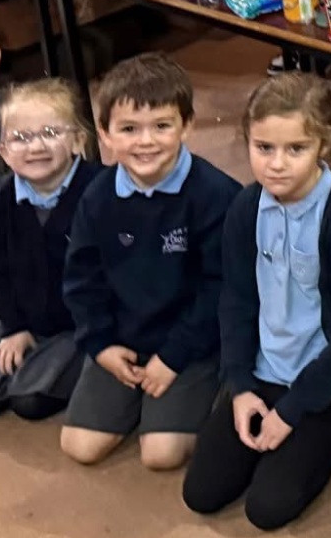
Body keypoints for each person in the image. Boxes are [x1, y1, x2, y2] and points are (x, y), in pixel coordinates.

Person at [182, 76, 331, 530]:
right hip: (264, 370)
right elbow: (235, 301)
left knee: (267, 508)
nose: (276, 164)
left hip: (327, 377)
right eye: (263, 148)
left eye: (295, 149)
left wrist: (294, 410)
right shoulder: (243, 209)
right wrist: (239, 387)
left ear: (323, 145)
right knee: (201, 493)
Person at [60, 55, 240, 471]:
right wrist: (100, 345)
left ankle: (205, 395)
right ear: (104, 134)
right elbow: (82, 280)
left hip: (191, 343)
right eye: (128, 129)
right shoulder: (97, 197)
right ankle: (138, 398)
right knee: (80, 445)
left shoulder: (216, 196)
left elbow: (220, 289)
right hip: (124, 337)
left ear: (187, 125)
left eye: (162, 126)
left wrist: (173, 357)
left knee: (161, 455)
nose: (146, 142)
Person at [0, 79, 95, 422]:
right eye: (20, 138)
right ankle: (26, 351)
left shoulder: (98, 193)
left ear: (78, 140)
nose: (36, 146)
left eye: (50, 132)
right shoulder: (1, 198)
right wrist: (14, 326)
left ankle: (53, 366)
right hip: (26, 312)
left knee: (30, 403)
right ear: (3, 152)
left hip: (79, 323)